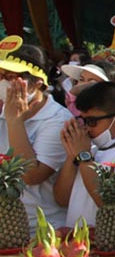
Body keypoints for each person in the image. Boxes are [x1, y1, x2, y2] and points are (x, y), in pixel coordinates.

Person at [54, 82, 115, 244]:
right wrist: (72, 155)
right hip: (77, 246)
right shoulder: (88, 149)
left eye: (92, 121)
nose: (86, 129)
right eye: (82, 121)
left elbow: (107, 202)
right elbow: (62, 198)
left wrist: (83, 156)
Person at [0, 43, 72, 232]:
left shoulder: (58, 120)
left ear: (37, 83)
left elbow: (31, 175)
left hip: (41, 229)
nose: (3, 83)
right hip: (5, 225)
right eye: (1, 76)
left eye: (10, 78)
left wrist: (14, 121)